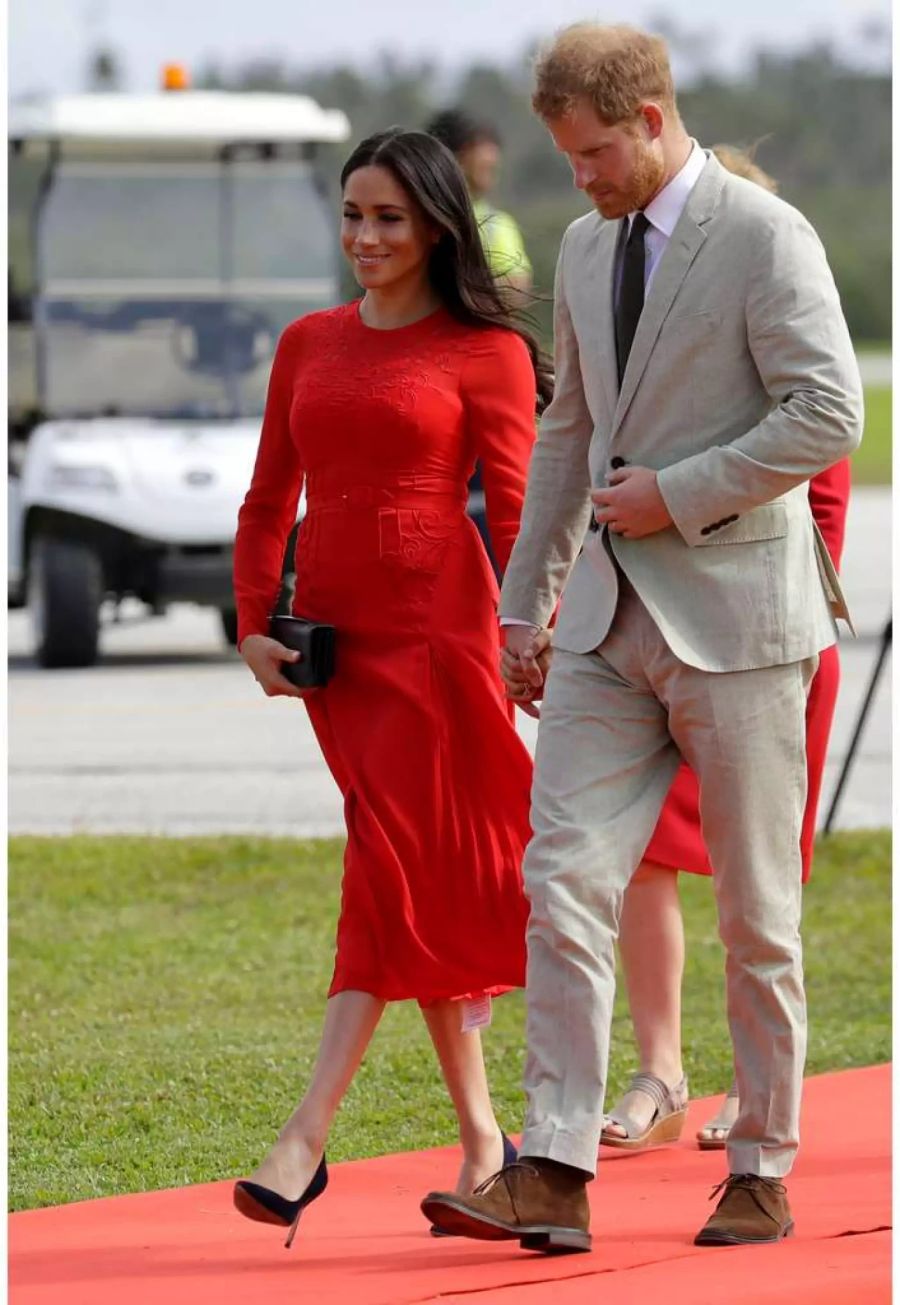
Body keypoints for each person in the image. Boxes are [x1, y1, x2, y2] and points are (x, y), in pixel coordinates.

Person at [421, 22, 862, 1253]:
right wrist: (522, 602)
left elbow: (831, 412)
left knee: (756, 915)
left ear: (656, 117)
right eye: (566, 157)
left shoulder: (767, 236)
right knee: (560, 878)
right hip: (605, 628)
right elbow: (566, 436)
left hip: (743, 624)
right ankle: (553, 1166)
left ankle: (763, 1164)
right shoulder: (578, 244)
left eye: (597, 152)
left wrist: (681, 490)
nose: (582, 177)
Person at [231, 127, 550, 1247]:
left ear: (436, 228)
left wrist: (531, 633)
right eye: (353, 215)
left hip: (442, 643)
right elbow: (269, 498)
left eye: (389, 219)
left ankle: (305, 1140)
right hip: (339, 653)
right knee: (400, 867)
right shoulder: (307, 343)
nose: (365, 237)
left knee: (390, 864)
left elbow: (516, 513)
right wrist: (250, 624)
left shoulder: (487, 353)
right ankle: (481, 1143)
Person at [595, 149, 853, 1152]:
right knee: (645, 856)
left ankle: (760, 1096)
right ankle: (659, 1070)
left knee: (760, 888)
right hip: (654, 637)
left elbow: (821, 508)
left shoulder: (795, 379)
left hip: (766, 640)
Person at [426, 108, 533, 292]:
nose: (492, 157)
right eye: (481, 145)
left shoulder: (497, 224)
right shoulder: (414, 214)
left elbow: (516, 288)